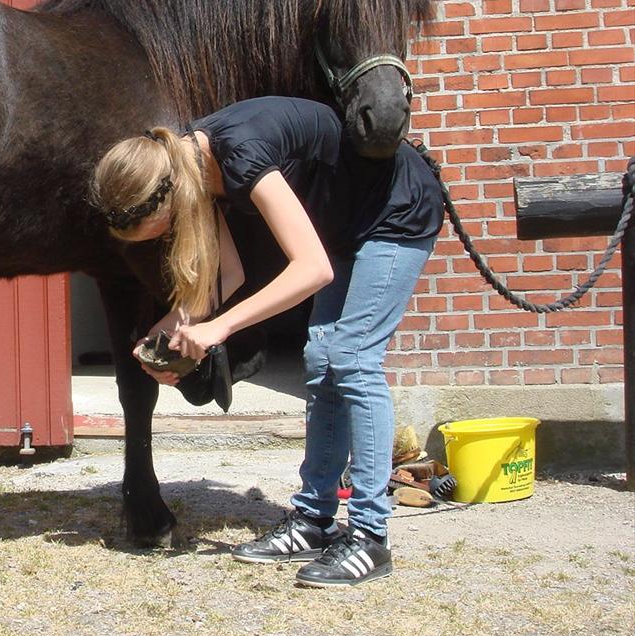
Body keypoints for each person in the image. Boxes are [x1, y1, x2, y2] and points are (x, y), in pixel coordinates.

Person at [91, 95, 442, 587]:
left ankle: (369, 536)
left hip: (396, 212)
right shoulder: (191, 164)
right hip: (346, 226)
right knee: (322, 358)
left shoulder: (239, 151)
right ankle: (314, 521)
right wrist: (171, 326)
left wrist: (220, 328)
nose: (168, 236)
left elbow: (311, 268)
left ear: (167, 198)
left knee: (352, 355)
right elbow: (228, 274)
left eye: (163, 229)